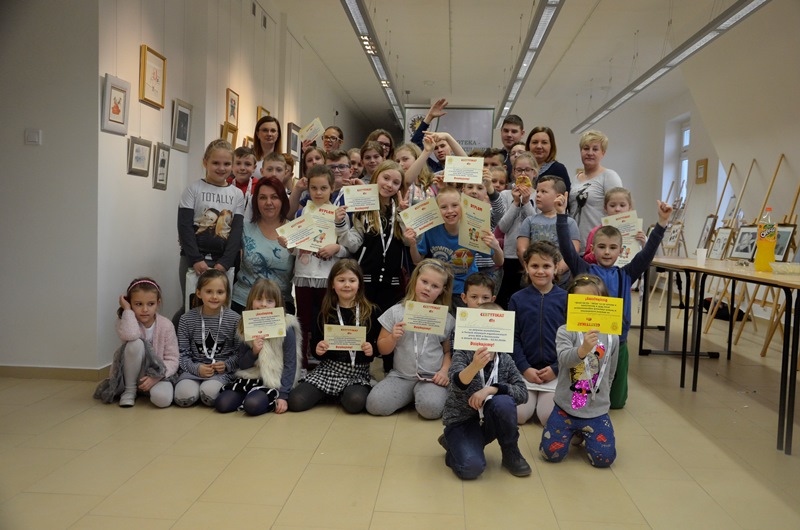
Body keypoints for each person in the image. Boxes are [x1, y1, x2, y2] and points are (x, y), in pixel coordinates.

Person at [556, 193, 673, 409]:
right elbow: (566, 249)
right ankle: (582, 408)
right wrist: (561, 215)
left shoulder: (626, 274)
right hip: (587, 339)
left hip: (618, 341)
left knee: (617, 401)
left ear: (621, 250)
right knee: (583, 391)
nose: (607, 252)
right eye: (601, 247)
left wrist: (661, 223)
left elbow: (647, 255)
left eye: (612, 248)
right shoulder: (584, 270)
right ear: (592, 249)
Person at [440, 302, 531, 479]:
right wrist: (475, 366)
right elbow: (455, 385)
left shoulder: (505, 359)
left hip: (488, 420)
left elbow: (523, 393)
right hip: (462, 421)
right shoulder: (463, 353)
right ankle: (453, 445)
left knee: (504, 402)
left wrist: (491, 389)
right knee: (471, 468)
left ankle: (511, 452)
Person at [539, 275, 618, 468]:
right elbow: (564, 360)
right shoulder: (565, 330)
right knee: (550, 454)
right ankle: (573, 432)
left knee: (604, 459)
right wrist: (583, 349)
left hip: (596, 411)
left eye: (594, 302)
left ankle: (583, 433)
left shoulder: (612, 337)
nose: (589, 308)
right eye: (582, 302)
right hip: (565, 408)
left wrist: (603, 397)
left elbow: (610, 371)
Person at [367, 259, 455, 419]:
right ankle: (409, 396)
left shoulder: (446, 319)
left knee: (431, 409)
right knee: (375, 405)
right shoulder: (396, 312)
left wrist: (444, 371)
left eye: (435, 286)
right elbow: (382, 349)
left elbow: (447, 352)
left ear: (442, 290)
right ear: (415, 280)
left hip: (431, 378)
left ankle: (423, 396)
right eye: (424, 282)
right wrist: (393, 337)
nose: (427, 288)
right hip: (401, 376)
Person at [288, 260, 379, 413]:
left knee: (355, 402)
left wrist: (372, 349)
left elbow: (377, 345)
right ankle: (331, 392)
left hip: (357, 373)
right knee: (296, 401)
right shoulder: (324, 312)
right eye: (341, 280)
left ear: (359, 284)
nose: (347, 285)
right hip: (328, 370)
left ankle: (338, 394)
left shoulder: (371, 312)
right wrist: (318, 349)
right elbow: (315, 346)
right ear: (332, 284)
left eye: (352, 280)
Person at [279, 164, 349, 365]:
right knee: (303, 321)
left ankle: (327, 362)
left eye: (323, 188)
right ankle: (300, 364)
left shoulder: (339, 214)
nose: (318, 193)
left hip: (327, 277)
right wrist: (288, 245)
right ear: (308, 189)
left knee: (327, 319)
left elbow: (347, 249)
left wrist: (336, 248)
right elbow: (296, 249)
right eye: (314, 188)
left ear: (332, 188)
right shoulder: (301, 214)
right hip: (303, 276)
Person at [216, 279, 302, 415]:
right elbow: (242, 364)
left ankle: (262, 398)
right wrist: (253, 352)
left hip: (275, 380)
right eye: (259, 300)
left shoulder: (287, 326)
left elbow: (291, 363)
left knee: (252, 405)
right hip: (251, 376)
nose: (263, 305)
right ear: (251, 301)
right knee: (222, 403)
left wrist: (283, 395)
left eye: (269, 301)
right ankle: (249, 394)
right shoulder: (246, 324)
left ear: (277, 303)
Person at [405, 187, 503, 305]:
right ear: (437, 210)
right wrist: (412, 244)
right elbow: (417, 260)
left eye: (455, 205)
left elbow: (499, 261)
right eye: (444, 207)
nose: (450, 211)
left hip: (464, 290)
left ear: (463, 206)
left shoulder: (473, 229)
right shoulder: (432, 230)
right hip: (439, 289)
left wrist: (496, 246)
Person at [177, 140, 244, 308]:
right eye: (215, 163)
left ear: (232, 165)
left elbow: (236, 232)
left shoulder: (237, 194)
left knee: (220, 308)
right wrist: (195, 259)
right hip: (193, 261)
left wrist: (225, 262)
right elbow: (184, 227)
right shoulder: (193, 189)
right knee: (191, 307)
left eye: (226, 164)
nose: (221, 168)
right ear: (205, 162)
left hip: (223, 262)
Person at [94, 278, 178, 408]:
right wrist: (127, 310)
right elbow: (131, 335)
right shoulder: (125, 321)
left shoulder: (166, 325)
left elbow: (173, 359)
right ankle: (130, 391)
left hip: (157, 376)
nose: (145, 309)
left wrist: (156, 377)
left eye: (150, 304)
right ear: (130, 303)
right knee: (135, 343)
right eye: (138, 304)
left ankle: (145, 390)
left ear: (158, 303)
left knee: (163, 400)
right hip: (131, 377)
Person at [508, 242, 567, 426]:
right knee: (518, 415)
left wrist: (556, 368)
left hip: (556, 373)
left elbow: (573, 341)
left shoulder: (566, 299)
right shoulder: (517, 299)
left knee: (548, 417)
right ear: (526, 267)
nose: (540, 271)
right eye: (535, 266)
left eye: (546, 266)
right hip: (525, 371)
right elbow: (512, 338)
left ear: (556, 268)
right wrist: (525, 368)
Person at [174, 269, 242, 407]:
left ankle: (205, 392)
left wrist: (226, 365)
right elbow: (182, 354)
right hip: (192, 371)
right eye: (209, 291)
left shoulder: (235, 319)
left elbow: (239, 353)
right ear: (199, 293)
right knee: (183, 396)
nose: (214, 297)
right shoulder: (186, 319)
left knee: (209, 393)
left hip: (221, 373)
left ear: (227, 294)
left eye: (220, 292)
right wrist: (196, 368)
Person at [231, 176, 296, 315]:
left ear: (283, 200)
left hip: (280, 306)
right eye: (262, 198)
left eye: (274, 197)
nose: (268, 202)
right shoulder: (244, 227)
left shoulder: (295, 230)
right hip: (243, 302)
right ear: (255, 201)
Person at [516, 175, 580, 288]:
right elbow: (521, 249)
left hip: (560, 282)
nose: (538, 195)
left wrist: (556, 272)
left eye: (544, 191)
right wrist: (532, 269)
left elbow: (573, 252)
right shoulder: (529, 221)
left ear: (558, 196)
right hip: (532, 280)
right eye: (537, 191)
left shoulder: (570, 223)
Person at [495, 152, 538, 309]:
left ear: (534, 172)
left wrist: (526, 203)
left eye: (527, 170)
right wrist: (515, 202)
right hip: (509, 254)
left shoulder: (538, 195)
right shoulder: (505, 195)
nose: (523, 174)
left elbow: (536, 227)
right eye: (519, 170)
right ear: (513, 173)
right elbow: (502, 227)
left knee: (527, 298)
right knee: (507, 297)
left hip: (531, 256)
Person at [569, 130, 623, 248]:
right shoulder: (575, 179)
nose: (590, 153)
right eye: (586, 148)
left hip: (598, 248)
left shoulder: (609, 176)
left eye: (595, 149)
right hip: (575, 247)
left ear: (603, 153)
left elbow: (619, 213)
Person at [584, 187, 647, 264]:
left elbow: (644, 258)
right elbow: (586, 258)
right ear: (605, 208)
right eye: (612, 205)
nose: (617, 209)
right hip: (601, 270)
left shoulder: (636, 231)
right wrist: (598, 253)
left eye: (622, 205)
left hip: (628, 270)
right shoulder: (596, 232)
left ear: (629, 207)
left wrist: (644, 244)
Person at [525, 126, 571, 195]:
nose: (539, 146)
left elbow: (565, 197)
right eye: (535, 142)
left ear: (551, 146)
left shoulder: (559, 169)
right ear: (528, 145)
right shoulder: (521, 168)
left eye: (544, 142)